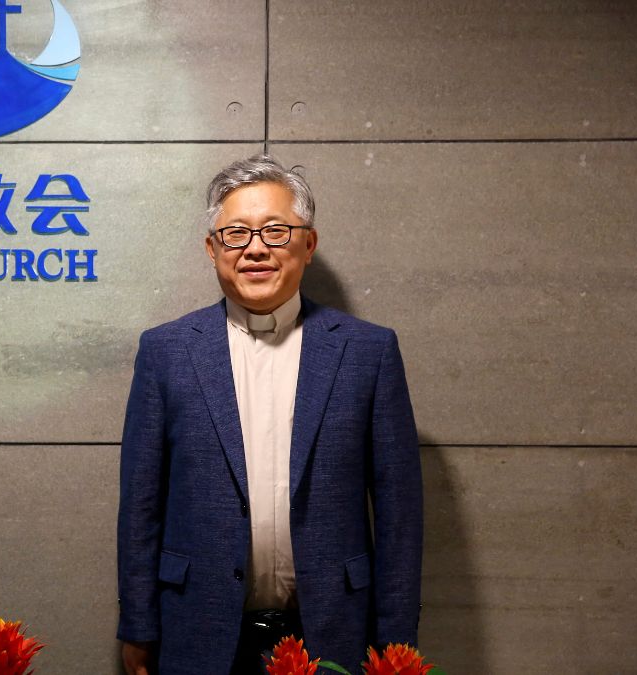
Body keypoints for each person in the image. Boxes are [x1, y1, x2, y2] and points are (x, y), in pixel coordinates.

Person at [116, 155, 423, 674]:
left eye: (276, 231)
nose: (255, 248)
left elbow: (399, 514)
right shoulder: (166, 352)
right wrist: (139, 629)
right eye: (235, 234)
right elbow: (141, 508)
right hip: (197, 627)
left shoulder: (368, 352)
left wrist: (397, 643)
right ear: (212, 249)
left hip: (334, 630)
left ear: (309, 243)